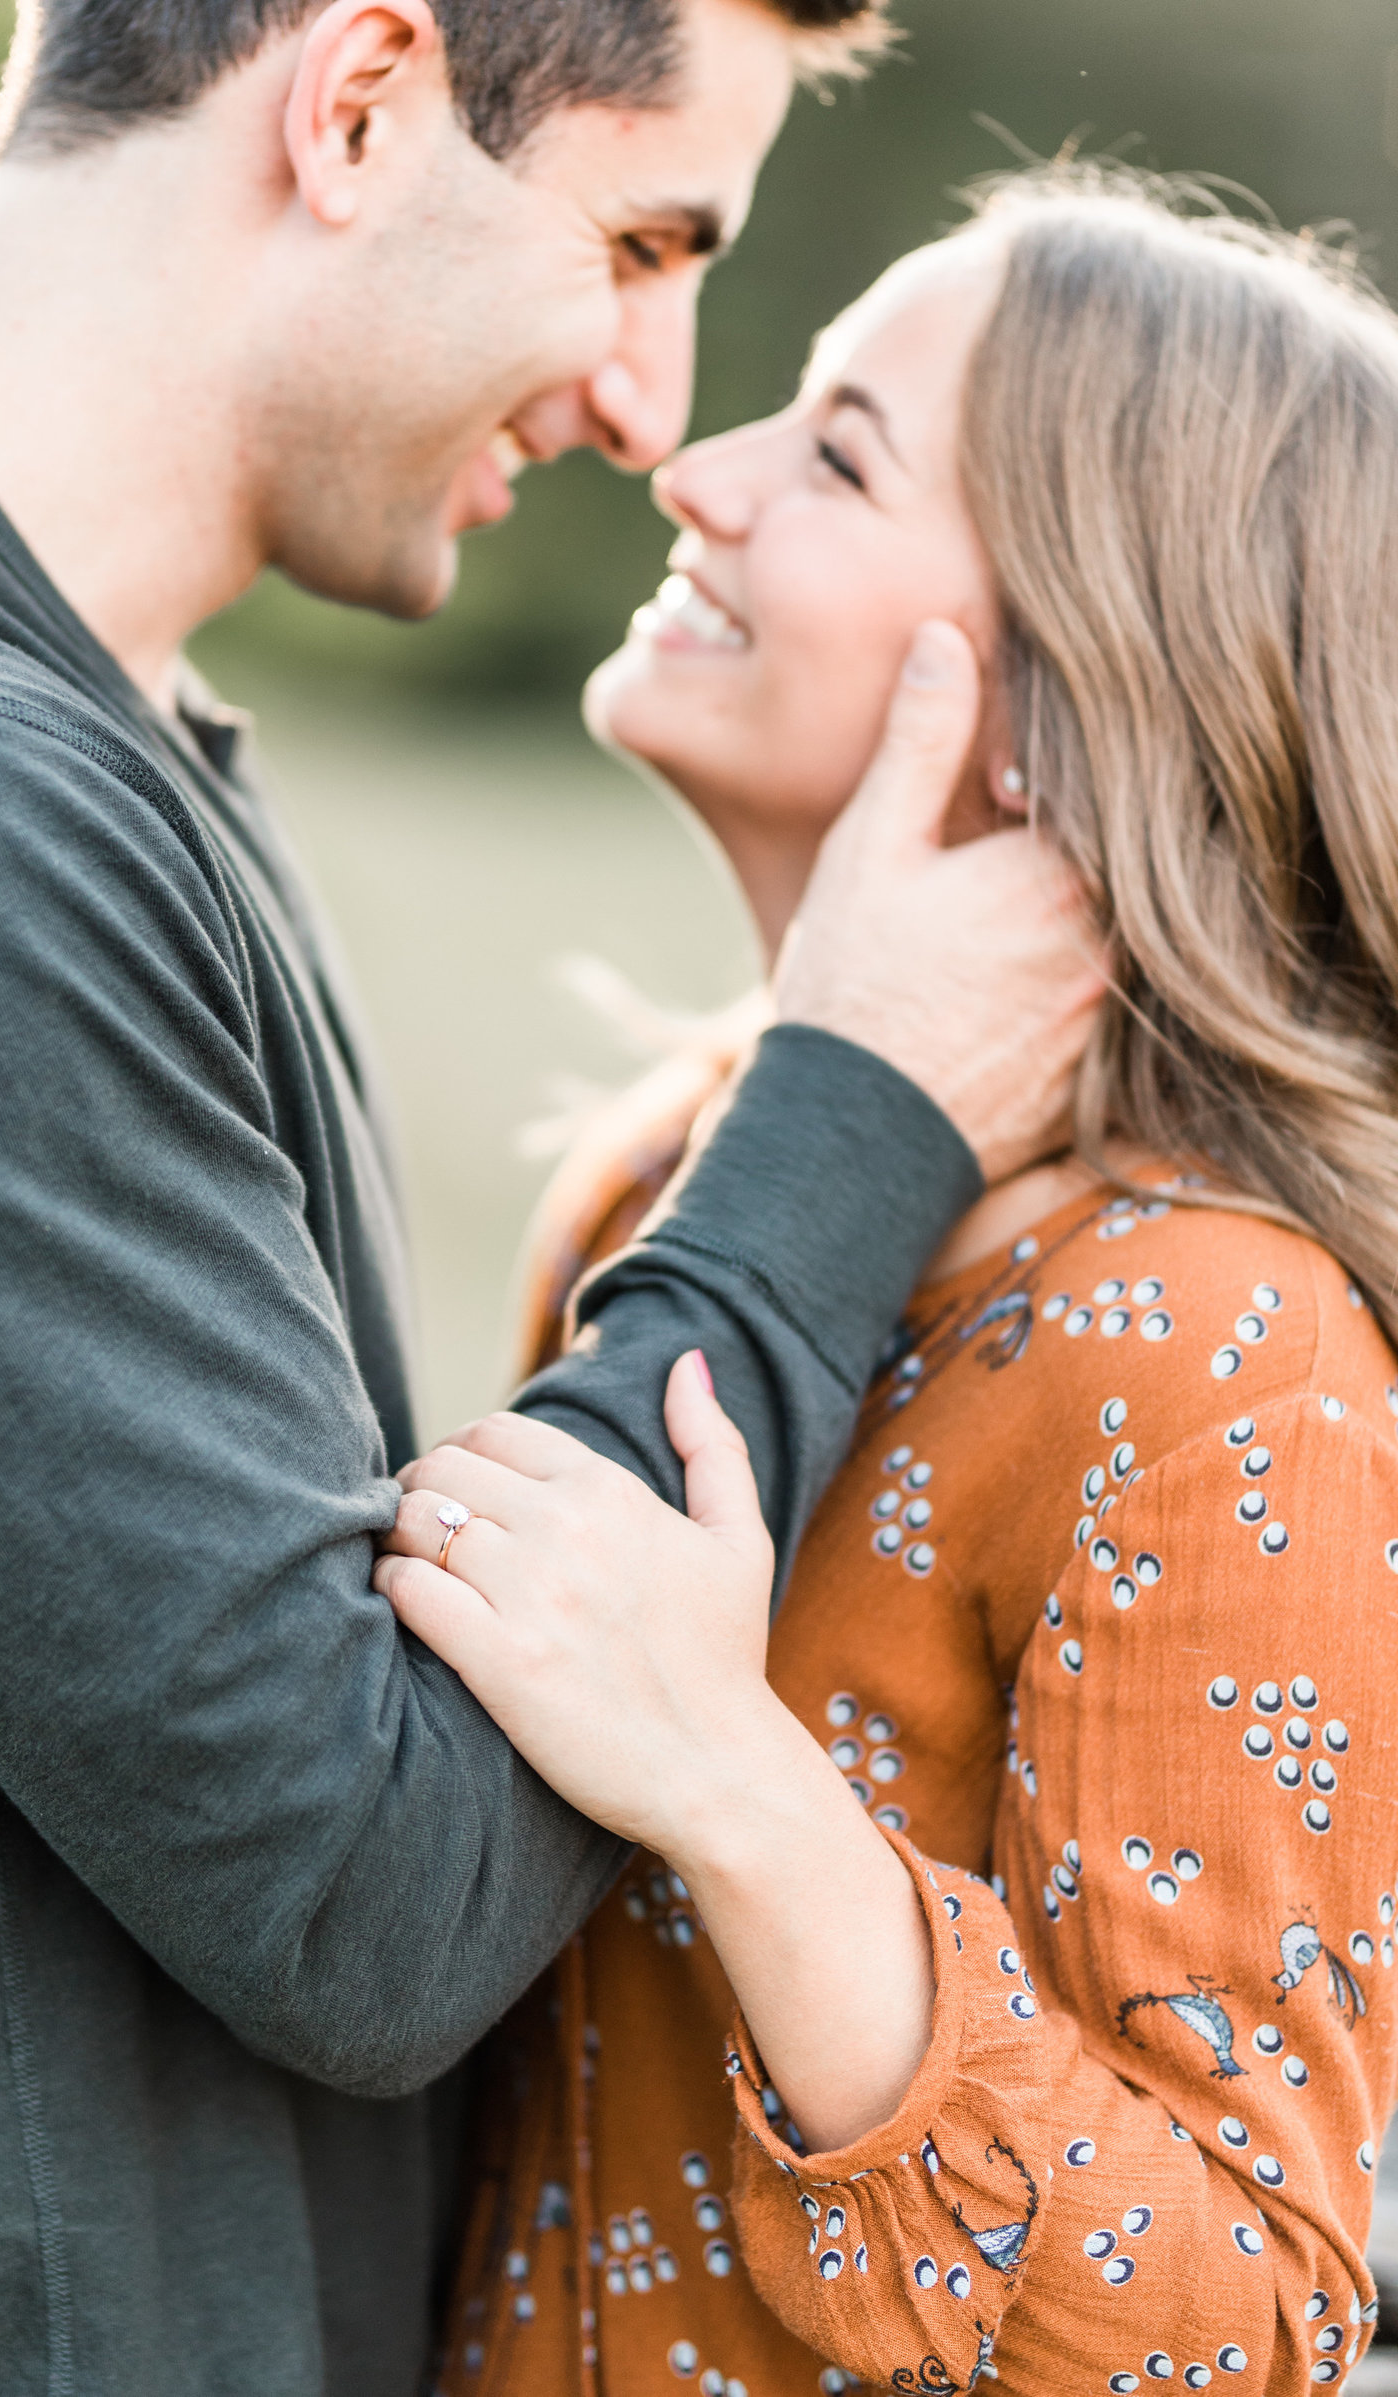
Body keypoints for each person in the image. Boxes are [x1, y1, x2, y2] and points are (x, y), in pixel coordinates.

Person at [0, 2, 1103, 2390]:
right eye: (629, 239)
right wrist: (859, 1102)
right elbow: (360, 1898)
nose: (643, 396)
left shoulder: (83, 754)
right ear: (363, 97)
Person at [378, 170, 1398, 2394]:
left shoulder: (1221, 1358)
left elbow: (1245, 2322)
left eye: (832, 451)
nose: (688, 465)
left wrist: (737, 1796)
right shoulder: (663, 1167)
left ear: (1073, 686)